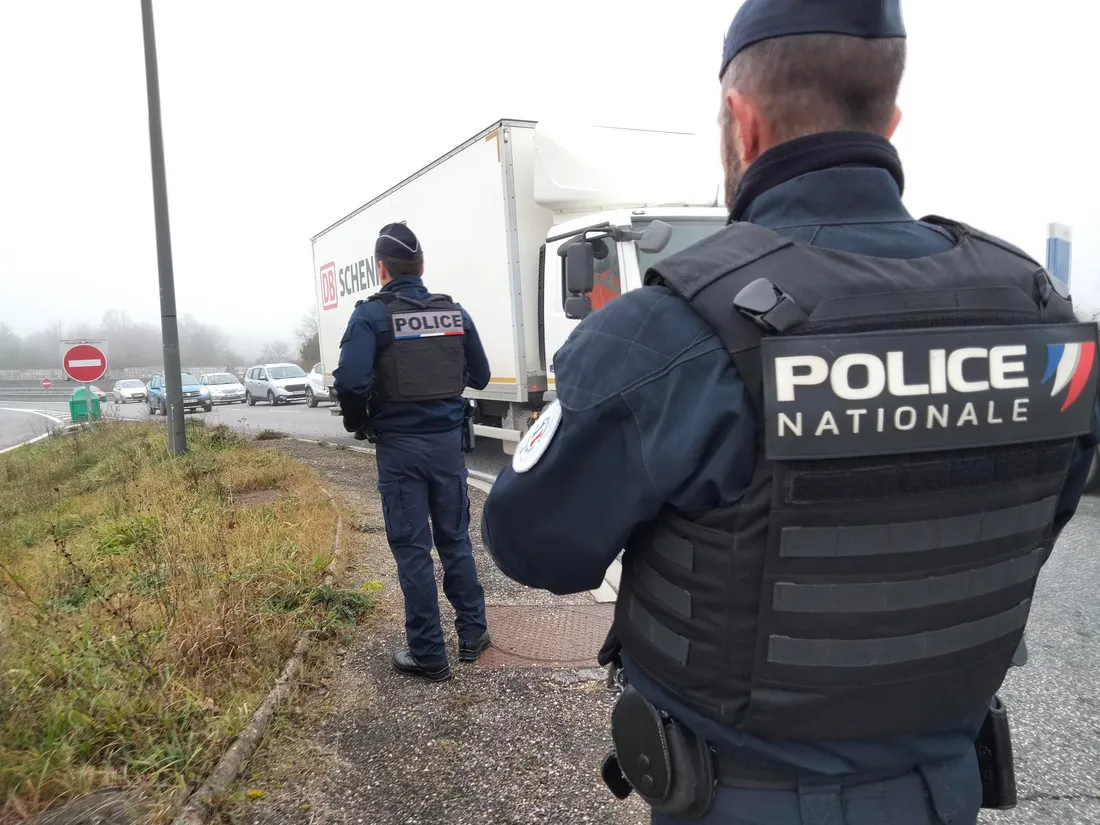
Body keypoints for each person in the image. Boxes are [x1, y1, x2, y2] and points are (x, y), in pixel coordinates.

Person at [480, 1, 1100, 823]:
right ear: (891, 119)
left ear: (743, 122)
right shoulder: (1042, 317)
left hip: (744, 798)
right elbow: (1040, 519)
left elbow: (534, 544)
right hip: (946, 792)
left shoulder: (671, 331)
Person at [334, 222, 492, 682]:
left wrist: (358, 422)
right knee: (455, 540)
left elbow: (350, 382)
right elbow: (481, 376)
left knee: (412, 550)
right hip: (448, 448)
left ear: (381, 269)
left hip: (400, 450)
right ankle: (473, 633)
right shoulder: (454, 313)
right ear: (421, 268)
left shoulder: (371, 316)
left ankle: (428, 653)